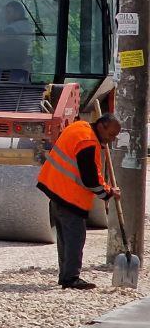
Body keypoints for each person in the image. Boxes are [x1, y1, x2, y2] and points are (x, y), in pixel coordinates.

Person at [36, 113, 121, 290]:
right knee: (75, 237)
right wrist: (108, 192)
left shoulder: (79, 127)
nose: (112, 140)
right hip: (69, 195)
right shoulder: (88, 143)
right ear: (101, 126)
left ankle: (65, 275)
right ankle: (71, 278)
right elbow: (90, 180)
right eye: (111, 134)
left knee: (65, 237)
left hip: (55, 189)